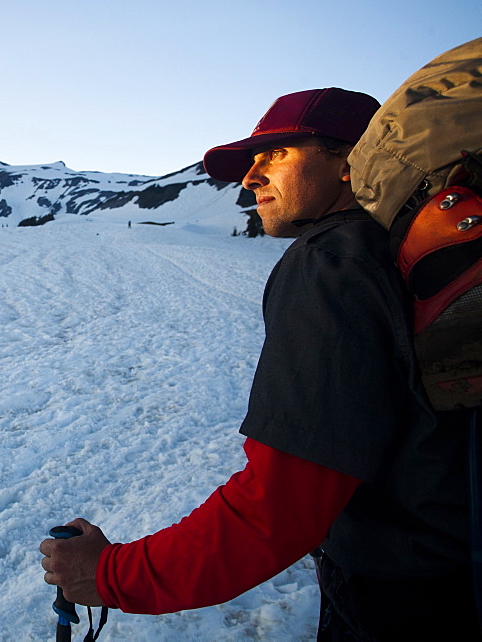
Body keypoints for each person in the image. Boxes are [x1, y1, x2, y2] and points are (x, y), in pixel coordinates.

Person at [40, 87, 477, 639]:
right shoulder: (395, 251)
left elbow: (280, 505)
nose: (250, 177)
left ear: (349, 163)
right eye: (253, 160)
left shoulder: (330, 263)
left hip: (402, 597)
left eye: (277, 154)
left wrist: (112, 574)